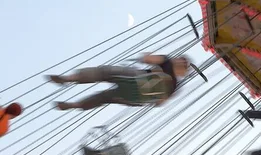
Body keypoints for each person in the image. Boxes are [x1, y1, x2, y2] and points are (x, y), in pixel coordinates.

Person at [47, 54, 190, 110]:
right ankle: (74, 105)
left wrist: (145, 59)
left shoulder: (167, 61)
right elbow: (159, 103)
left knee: (104, 73)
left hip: (135, 79)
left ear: (178, 61)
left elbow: (146, 59)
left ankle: (67, 79)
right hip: (135, 98)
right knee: (104, 97)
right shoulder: (175, 87)